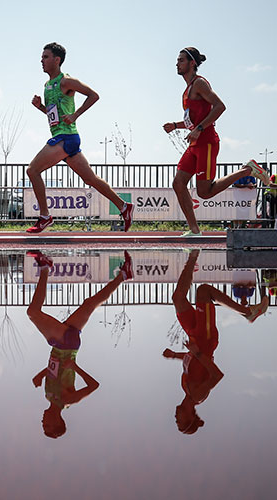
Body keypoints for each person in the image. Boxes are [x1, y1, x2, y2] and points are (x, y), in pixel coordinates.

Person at [26, 42, 133, 234]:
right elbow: (55, 117)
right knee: (90, 179)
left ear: (57, 60)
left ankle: (45, 217)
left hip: (66, 137)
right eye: (41, 57)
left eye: (45, 57)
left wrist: (76, 115)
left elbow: (94, 95)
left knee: (33, 171)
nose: (41, 60)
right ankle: (124, 206)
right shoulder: (47, 85)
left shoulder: (66, 81)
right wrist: (41, 108)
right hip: (64, 137)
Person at [163, 47, 269, 236]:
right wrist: (175, 125)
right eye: (177, 60)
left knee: (205, 192)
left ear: (192, 63)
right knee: (179, 183)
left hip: (207, 142)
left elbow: (220, 106)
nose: (177, 64)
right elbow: (192, 121)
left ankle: (248, 169)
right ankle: (194, 230)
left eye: (181, 60)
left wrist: (200, 129)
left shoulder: (199, 84)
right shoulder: (187, 90)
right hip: (195, 143)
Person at [28, 250, 133, 438]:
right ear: (57, 422)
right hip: (64, 345)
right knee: (33, 313)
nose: (42, 422)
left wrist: (41, 374)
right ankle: (45, 267)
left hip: (62, 345)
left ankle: (124, 275)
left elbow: (55, 370)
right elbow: (94, 385)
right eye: (47, 426)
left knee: (89, 304)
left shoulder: (48, 397)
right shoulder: (67, 400)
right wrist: (75, 367)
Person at [163, 249, 268, 434]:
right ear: (191, 417)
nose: (175, 419)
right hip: (205, 339)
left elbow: (193, 362)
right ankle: (248, 313)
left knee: (178, 298)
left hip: (194, 338)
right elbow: (216, 375)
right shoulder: (198, 396)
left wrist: (174, 356)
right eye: (180, 422)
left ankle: (192, 258)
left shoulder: (186, 388)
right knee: (204, 291)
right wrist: (196, 352)